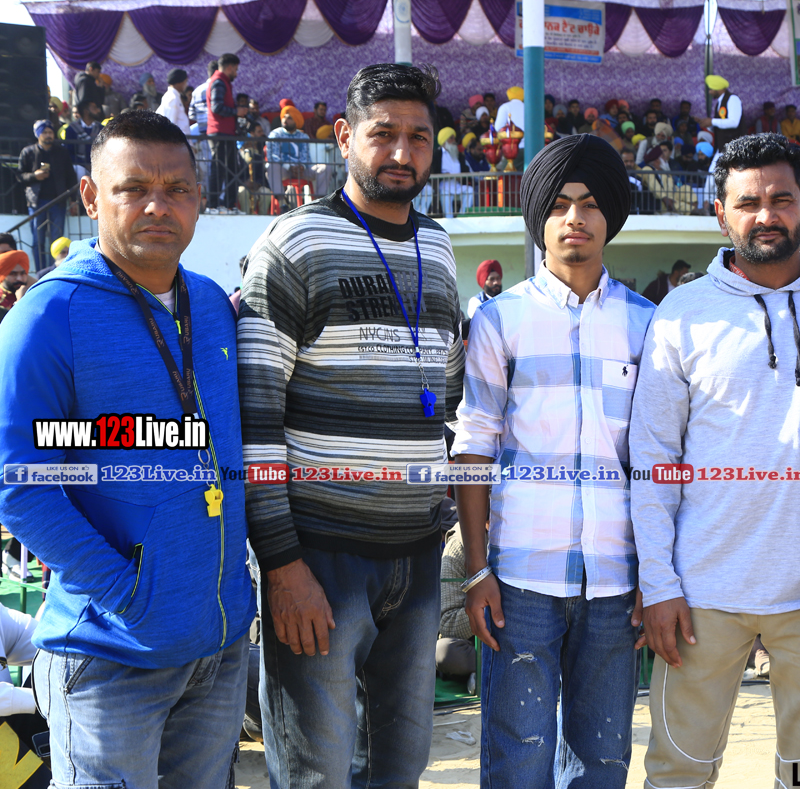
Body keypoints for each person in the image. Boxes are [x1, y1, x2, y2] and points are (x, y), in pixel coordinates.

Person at [0, 109, 255, 787]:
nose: (157, 206)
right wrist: (130, 594)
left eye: (177, 189)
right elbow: (19, 487)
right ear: (91, 197)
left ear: (199, 198)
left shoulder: (211, 305)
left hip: (218, 651)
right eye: (133, 188)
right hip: (110, 657)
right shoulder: (47, 316)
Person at [631, 133, 800, 786]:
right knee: (677, 774)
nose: (766, 216)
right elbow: (654, 460)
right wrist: (659, 584)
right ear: (721, 214)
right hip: (700, 595)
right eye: (748, 203)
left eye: (781, 200)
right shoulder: (682, 313)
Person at [239, 63, 464, 789]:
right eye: (383, 134)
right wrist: (281, 565)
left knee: (400, 769)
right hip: (319, 560)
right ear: (343, 137)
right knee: (318, 773)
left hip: (417, 559)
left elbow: (446, 394)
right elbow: (255, 418)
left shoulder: (438, 247)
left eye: (419, 137)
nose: (402, 152)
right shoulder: (294, 244)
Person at [453, 133, 651, 788]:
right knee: (518, 760)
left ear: (610, 217)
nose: (575, 217)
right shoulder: (500, 321)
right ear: (539, 218)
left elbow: (658, 460)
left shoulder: (647, 324)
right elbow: (474, 445)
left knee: (603, 762)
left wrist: (655, 573)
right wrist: (477, 570)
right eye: (560, 204)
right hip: (520, 581)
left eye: (590, 203)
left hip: (616, 580)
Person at [18, 120, 73, 267]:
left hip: (58, 201)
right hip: (36, 202)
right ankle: (41, 272)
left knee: (58, 241)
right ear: (38, 135)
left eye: (50, 132)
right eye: (45, 132)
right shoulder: (28, 152)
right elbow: (20, 176)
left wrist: (73, 200)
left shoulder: (62, 152)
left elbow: (70, 176)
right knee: (38, 241)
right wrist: (34, 176)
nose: (49, 135)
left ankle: (55, 271)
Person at [437, 523, 478, 682]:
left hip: (525, 635)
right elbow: (447, 624)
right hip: (478, 643)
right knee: (444, 652)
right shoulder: (458, 545)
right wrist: (485, 608)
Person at [207, 53, 241, 211]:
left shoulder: (221, 82)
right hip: (220, 133)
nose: (236, 73)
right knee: (219, 169)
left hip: (225, 133)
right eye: (235, 69)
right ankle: (213, 205)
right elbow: (217, 107)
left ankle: (229, 205)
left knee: (230, 170)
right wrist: (236, 111)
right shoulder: (219, 82)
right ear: (229, 67)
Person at [266, 105, 313, 204]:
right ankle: (282, 202)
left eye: (289, 118)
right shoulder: (275, 134)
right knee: (272, 166)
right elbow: (273, 157)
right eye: (284, 117)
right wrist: (289, 167)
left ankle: (320, 203)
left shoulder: (303, 136)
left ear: (296, 121)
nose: (285, 120)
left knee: (325, 169)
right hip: (284, 170)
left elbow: (306, 156)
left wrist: (302, 167)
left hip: (301, 171)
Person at [698, 75, 742, 152]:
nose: (709, 92)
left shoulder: (732, 99)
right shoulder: (719, 102)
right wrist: (707, 124)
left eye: (711, 89)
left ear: (719, 89)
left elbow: (734, 122)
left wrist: (712, 121)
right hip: (722, 147)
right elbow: (720, 125)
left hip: (733, 147)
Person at [435, 127, 472, 218]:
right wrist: (445, 175)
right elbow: (433, 170)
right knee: (445, 192)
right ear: (444, 140)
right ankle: (449, 218)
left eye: (454, 138)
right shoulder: (437, 155)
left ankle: (462, 216)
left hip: (457, 185)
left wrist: (461, 177)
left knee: (469, 190)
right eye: (451, 138)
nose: (454, 141)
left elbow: (466, 170)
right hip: (444, 185)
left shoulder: (458, 154)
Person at [157, 68, 191, 136]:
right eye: (185, 82)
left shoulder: (173, 96)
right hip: (176, 139)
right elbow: (170, 122)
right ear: (179, 82)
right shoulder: (173, 98)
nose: (186, 85)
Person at [0, 249, 28, 314]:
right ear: (3, 275)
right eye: (13, 274)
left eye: (22, 273)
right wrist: (19, 302)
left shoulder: (33, 293)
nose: (19, 278)